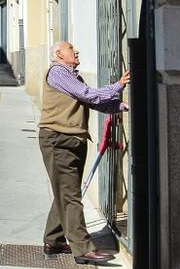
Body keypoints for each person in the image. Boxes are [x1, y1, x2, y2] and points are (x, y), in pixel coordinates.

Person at [38, 41, 128, 265]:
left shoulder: (72, 76)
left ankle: (54, 239)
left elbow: (90, 102)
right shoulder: (58, 72)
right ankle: (83, 248)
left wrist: (119, 106)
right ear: (59, 54)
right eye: (71, 49)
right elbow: (87, 95)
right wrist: (116, 86)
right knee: (70, 195)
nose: (76, 51)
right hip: (59, 140)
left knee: (67, 191)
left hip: (70, 139)